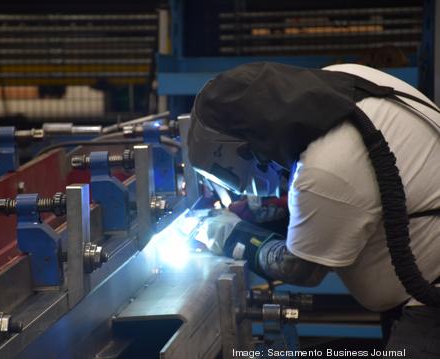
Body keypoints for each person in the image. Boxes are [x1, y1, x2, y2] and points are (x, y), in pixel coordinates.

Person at [187, 62, 440, 357]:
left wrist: (229, 235)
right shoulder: (337, 81)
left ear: (247, 147)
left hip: (430, 303)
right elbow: (364, 191)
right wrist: (275, 207)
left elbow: (302, 269)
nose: (235, 188)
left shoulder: (326, 169)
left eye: (228, 178)